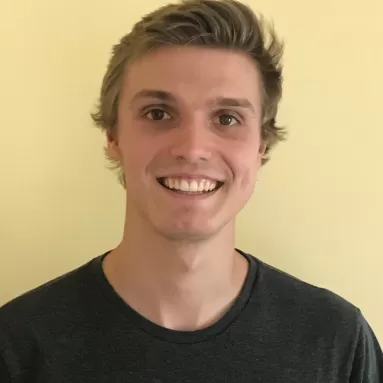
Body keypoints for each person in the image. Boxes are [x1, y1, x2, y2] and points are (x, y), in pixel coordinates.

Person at [1, 0, 382, 381]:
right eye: (158, 113)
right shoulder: (18, 346)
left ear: (261, 145)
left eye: (227, 118)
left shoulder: (337, 342)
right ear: (113, 135)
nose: (193, 148)